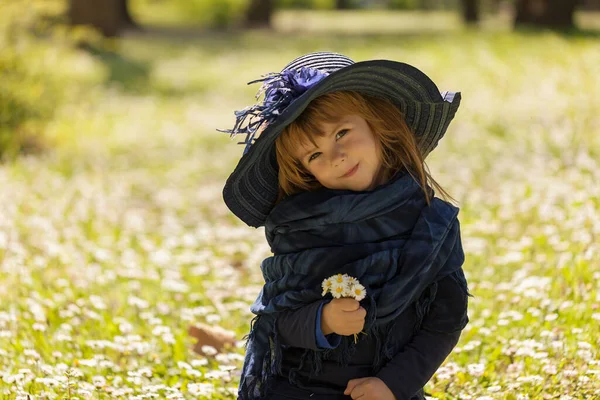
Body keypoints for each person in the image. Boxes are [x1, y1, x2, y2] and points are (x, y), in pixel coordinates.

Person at [220, 52, 472, 400]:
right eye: (314, 155)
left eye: (342, 133)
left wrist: (392, 384)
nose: (335, 156)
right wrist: (321, 321)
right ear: (304, 171)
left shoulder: (428, 222)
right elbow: (276, 320)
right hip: (300, 387)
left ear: (378, 123)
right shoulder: (302, 226)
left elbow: (446, 318)